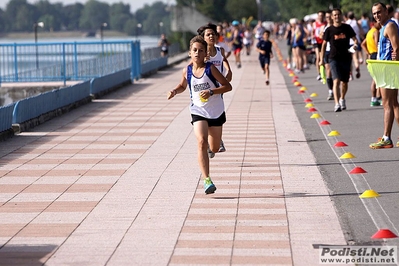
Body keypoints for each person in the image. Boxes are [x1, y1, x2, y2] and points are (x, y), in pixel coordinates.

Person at [167, 36, 232, 193]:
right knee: (201, 141)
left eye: (201, 51)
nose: (197, 53)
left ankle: (213, 147)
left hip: (215, 111)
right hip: (198, 110)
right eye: (194, 50)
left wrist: (211, 91)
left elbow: (227, 86)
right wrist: (175, 91)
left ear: (205, 55)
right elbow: (184, 85)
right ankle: (207, 180)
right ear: (190, 53)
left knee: (214, 148)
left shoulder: (211, 69)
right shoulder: (187, 70)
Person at [197, 22, 233, 153]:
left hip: (218, 88)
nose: (211, 36)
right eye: (208, 34)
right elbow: (193, 67)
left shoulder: (219, 50)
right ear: (204, 38)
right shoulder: (201, 52)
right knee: (205, 113)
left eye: (213, 34)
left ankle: (217, 139)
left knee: (218, 112)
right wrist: (203, 60)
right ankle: (206, 140)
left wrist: (229, 71)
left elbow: (224, 60)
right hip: (204, 88)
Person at [369, 2, 399, 149]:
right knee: (392, 104)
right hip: (384, 68)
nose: (377, 16)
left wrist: (395, 61)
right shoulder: (382, 27)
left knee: (389, 104)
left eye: (379, 12)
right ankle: (387, 137)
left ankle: (387, 137)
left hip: (389, 69)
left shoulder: (389, 26)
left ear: (386, 11)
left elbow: (396, 47)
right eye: (374, 13)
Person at [319, 8, 358, 112]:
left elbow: (355, 40)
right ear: (332, 17)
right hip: (333, 58)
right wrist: (321, 59)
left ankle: (342, 98)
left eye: (338, 15)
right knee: (336, 80)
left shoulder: (347, 28)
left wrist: (354, 46)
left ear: (341, 16)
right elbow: (323, 45)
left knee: (344, 82)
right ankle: (336, 104)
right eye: (334, 15)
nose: (336, 16)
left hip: (346, 57)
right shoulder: (329, 30)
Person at [360, 21, 381, 106]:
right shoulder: (376, 32)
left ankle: (375, 98)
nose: (380, 24)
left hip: (372, 55)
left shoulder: (369, 32)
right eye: (378, 23)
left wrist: (368, 53)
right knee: (377, 79)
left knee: (375, 78)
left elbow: (363, 44)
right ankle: (376, 98)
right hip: (376, 54)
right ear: (374, 23)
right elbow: (377, 44)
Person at [319, 10, 334, 100]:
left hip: (336, 51)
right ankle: (330, 91)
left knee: (335, 71)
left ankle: (335, 88)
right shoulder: (324, 27)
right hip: (327, 51)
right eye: (327, 17)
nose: (328, 19)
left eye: (329, 17)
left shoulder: (336, 26)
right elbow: (321, 39)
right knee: (328, 70)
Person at [312, 11, 327, 80]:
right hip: (316, 42)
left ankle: (323, 71)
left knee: (322, 57)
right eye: (319, 15)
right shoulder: (314, 24)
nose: (320, 17)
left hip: (323, 42)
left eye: (322, 15)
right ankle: (319, 73)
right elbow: (312, 32)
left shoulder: (325, 23)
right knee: (318, 57)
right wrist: (312, 37)